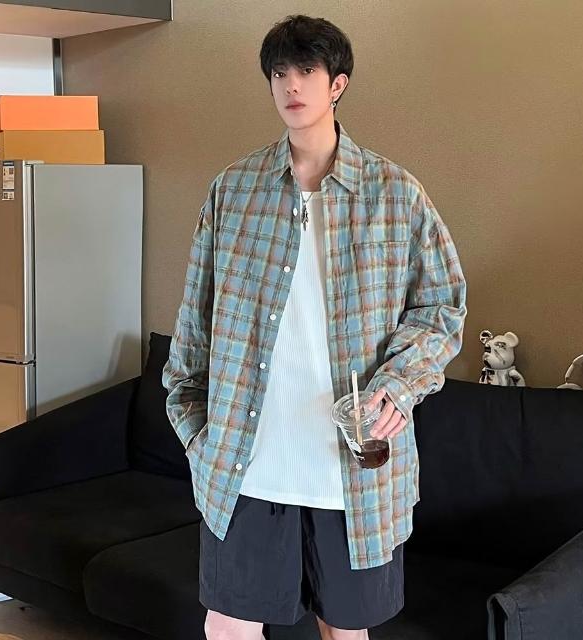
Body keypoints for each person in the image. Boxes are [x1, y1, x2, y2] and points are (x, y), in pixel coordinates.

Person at [162, 14, 467, 640]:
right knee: (226, 628)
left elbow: (443, 306)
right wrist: (196, 431)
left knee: (344, 632)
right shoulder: (234, 191)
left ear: (338, 84)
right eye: (279, 73)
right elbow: (195, 318)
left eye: (307, 70)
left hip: (350, 470)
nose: (291, 85)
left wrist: (398, 387)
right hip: (246, 461)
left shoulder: (395, 195)